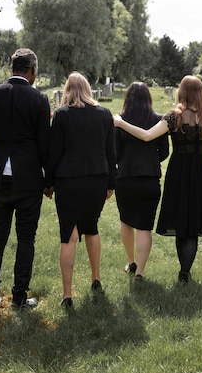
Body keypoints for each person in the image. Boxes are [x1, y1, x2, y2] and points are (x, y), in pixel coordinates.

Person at [113, 75, 202, 285]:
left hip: (179, 172)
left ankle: (181, 273)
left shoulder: (174, 116)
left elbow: (145, 136)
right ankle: (184, 271)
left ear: (182, 92)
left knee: (182, 219)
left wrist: (121, 123)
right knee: (194, 221)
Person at [0, 48, 51, 315]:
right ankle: (19, 298)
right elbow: (44, 145)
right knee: (26, 239)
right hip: (29, 178)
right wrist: (48, 179)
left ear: (11, 69)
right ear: (32, 71)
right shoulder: (39, 99)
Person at [44, 72, 116, 308]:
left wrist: (49, 182)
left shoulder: (62, 115)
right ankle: (96, 278)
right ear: (87, 89)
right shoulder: (104, 114)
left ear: (67, 90)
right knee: (92, 228)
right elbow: (110, 152)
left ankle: (67, 294)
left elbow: (54, 152)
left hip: (69, 181)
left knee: (69, 235)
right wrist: (111, 183)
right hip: (97, 180)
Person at [115, 82, 169, 280]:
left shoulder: (119, 121)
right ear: (149, 98)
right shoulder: (158, 120)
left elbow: (114, 153)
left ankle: (131, 261)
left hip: (126, 179)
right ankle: (140, 272)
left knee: (126, 221)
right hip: (150, 179)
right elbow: (164, 152)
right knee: (145, 227)